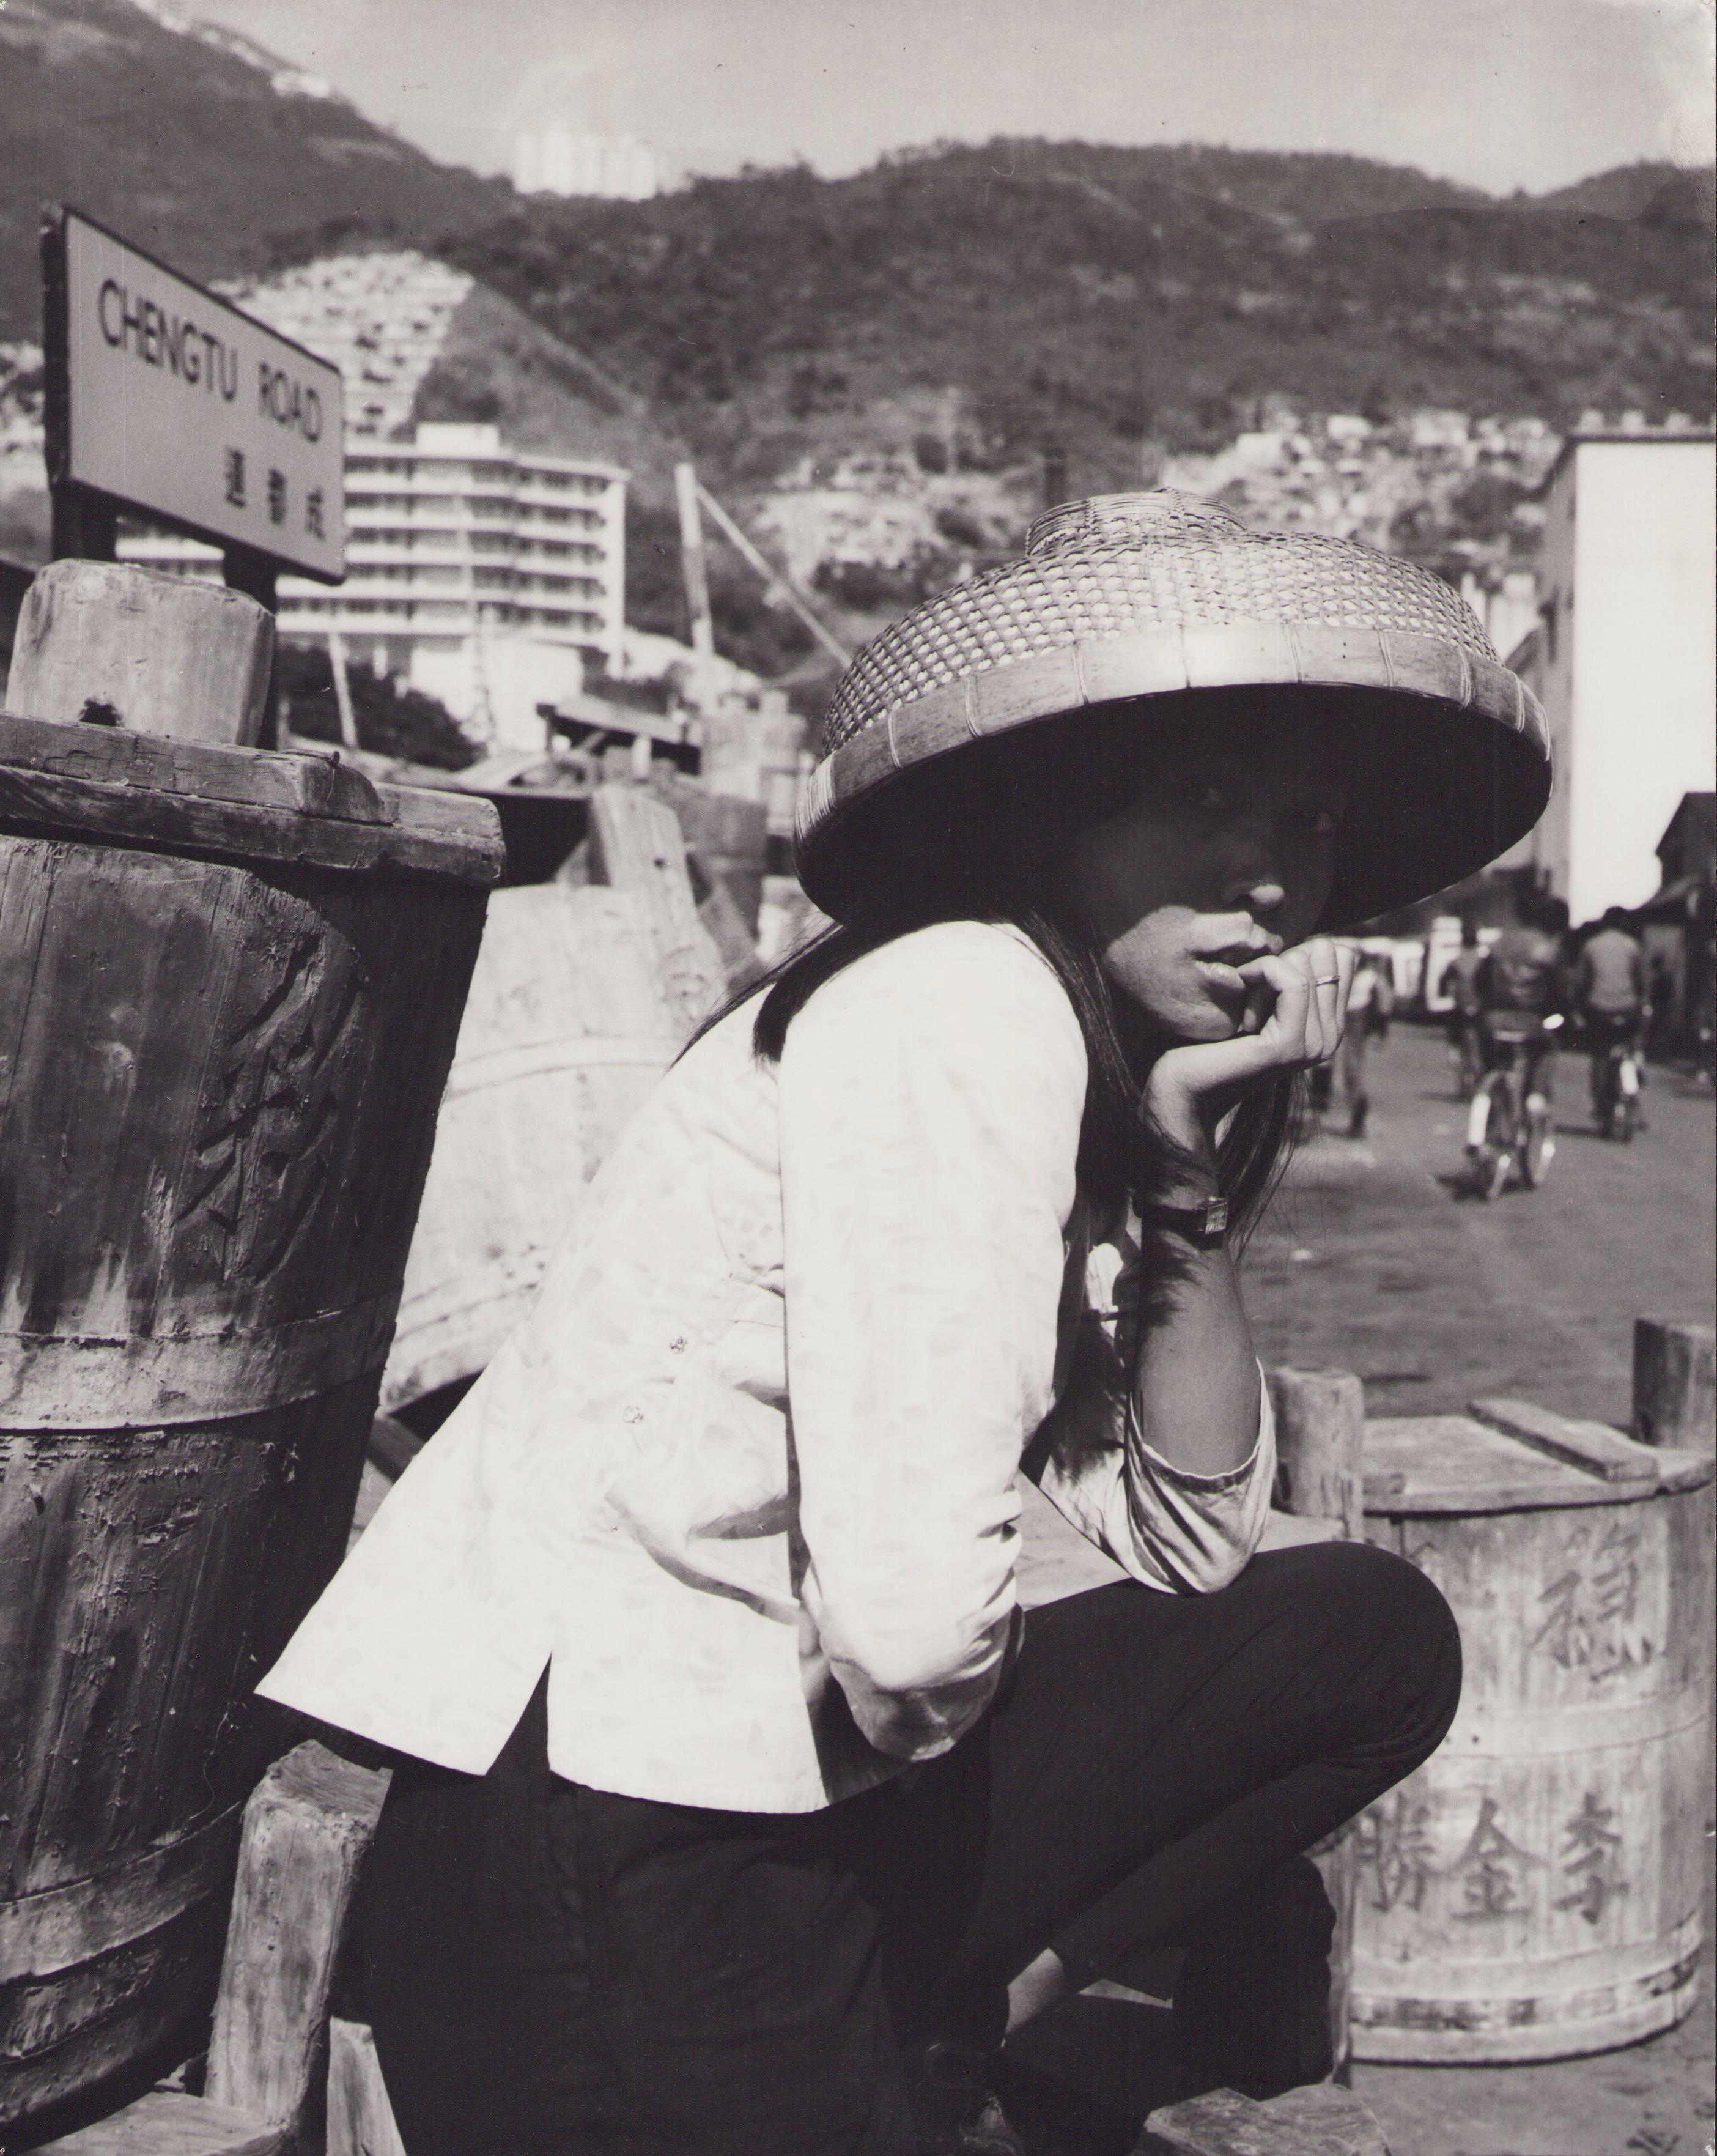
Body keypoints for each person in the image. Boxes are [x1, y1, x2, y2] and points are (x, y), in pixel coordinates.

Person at [258, 491, 1550, 2156]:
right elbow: (915, 1635)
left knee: (1365, 1632)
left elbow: (1191, 1537)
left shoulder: (1064, 1064)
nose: (1271, 881)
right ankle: (888, 2004)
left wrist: (1179, 1193)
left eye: (1306, 823)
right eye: (1208, 798)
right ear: (1052, 809)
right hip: (619, 1848)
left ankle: (948, 2001)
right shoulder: (959, 1004)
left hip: (762, 1806)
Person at [1466, 891, 1568, 1169]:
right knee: (1546, 1048)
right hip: (1529, 1022)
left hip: (1493, 1021)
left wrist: (1488, 1007)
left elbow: (1479, 980)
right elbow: (1560, 990)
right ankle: (1535, 1094)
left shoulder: (1499, 943)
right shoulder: (1547, 948)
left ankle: (1492, 1099)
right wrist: (1560, 1014)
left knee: (1493, 1067)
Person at [1307, 946, 1393, 1136]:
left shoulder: (1369, 977)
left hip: (1356, 1019)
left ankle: (1357, 1114)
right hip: (1346, 1016)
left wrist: (1381, 1029)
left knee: (1351, 1069)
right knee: (1329, 1059)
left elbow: (1384, 1002)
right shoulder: (1360, 976)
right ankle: (1326, 1099)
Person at [1578, 906, 1647, 1129]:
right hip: (1627, 1010)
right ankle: (1634, 1096)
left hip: (1599, 1011)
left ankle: (1600, 1105)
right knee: (1632, 1048)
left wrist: (1581, 1008)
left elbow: (1583, 982)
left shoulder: (1591, 945)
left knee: (1600, 1057)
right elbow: (1641, 981)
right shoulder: (1632, 946)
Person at [1438, 916, 1487, 1097]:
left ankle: (1463, 1086)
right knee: (1477, 1050)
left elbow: (1443, 984)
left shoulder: (1456, 961)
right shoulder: (1483, 960)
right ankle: (1476, 1085)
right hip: (1479, 1010)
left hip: (1459, 1010)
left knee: (1457, 1048)